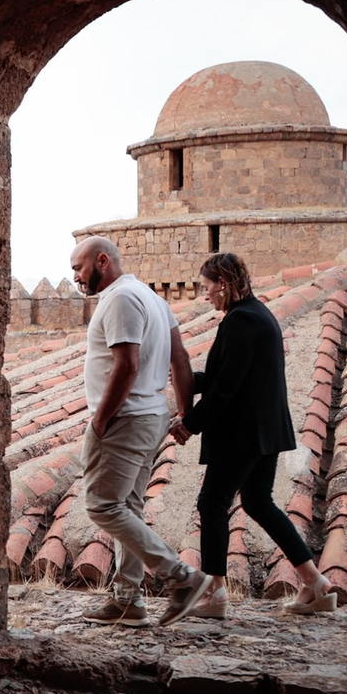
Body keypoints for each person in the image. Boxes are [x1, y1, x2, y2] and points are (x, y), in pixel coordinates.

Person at [169, 252, 336, 616]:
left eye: (207, 286)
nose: (205, 294)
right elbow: (228, 377)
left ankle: (214, 594)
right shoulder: (258, 315)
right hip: (265, 431)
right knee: (258, 503)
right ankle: (316, 584)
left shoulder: (241, 321)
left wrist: (189, 424)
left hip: (243, 434)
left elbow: (227, 388)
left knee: (212, 503)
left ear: (224, 284)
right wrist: (184, 380)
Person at [69, 236, 213, 627]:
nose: (76, 279)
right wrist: (184, 411)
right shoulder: (154, 299)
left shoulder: (119, 298)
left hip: (125, 420)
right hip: (151, 417)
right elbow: (180, 357)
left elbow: (127, 365)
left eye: (78, 269)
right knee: (128, 507)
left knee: (102, 505)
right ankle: (128, 600)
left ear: (102, 261)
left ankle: (181, 577)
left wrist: (100, 419)